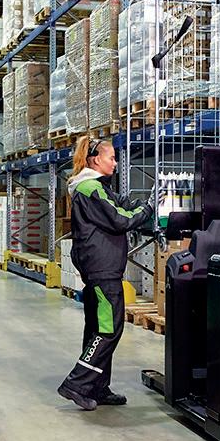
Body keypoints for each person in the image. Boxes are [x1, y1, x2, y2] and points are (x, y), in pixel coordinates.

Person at [58, 136, 159, 411]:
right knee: (108, 328)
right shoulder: (91, 189)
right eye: (111, 158)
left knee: (96, 327)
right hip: (102, 269)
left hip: (98, 267)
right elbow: (121, 219)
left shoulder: (95, 187)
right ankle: (77, 384)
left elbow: (121, 203)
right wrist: (150, 208)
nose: (115, 163)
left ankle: (98, 388)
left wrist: (145, 203)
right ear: (95, 160)